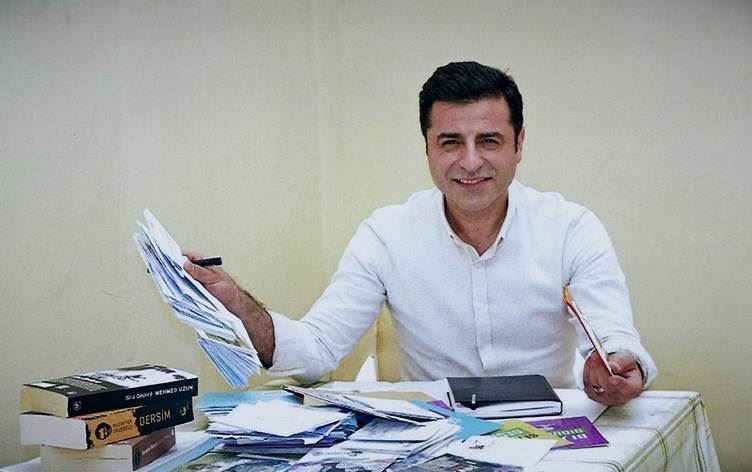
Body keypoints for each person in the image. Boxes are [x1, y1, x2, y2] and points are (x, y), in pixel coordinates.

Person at [184, 61, 656, 406]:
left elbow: (615, 337)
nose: (470, 161)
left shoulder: (571, 228)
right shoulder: (386, 235)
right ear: (427, 148)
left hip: (552, 434)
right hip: (436, 442)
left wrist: (619, 365)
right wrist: (238, 305)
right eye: (451, 142)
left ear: (519, 144)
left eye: (488, 140)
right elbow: (317, 350)